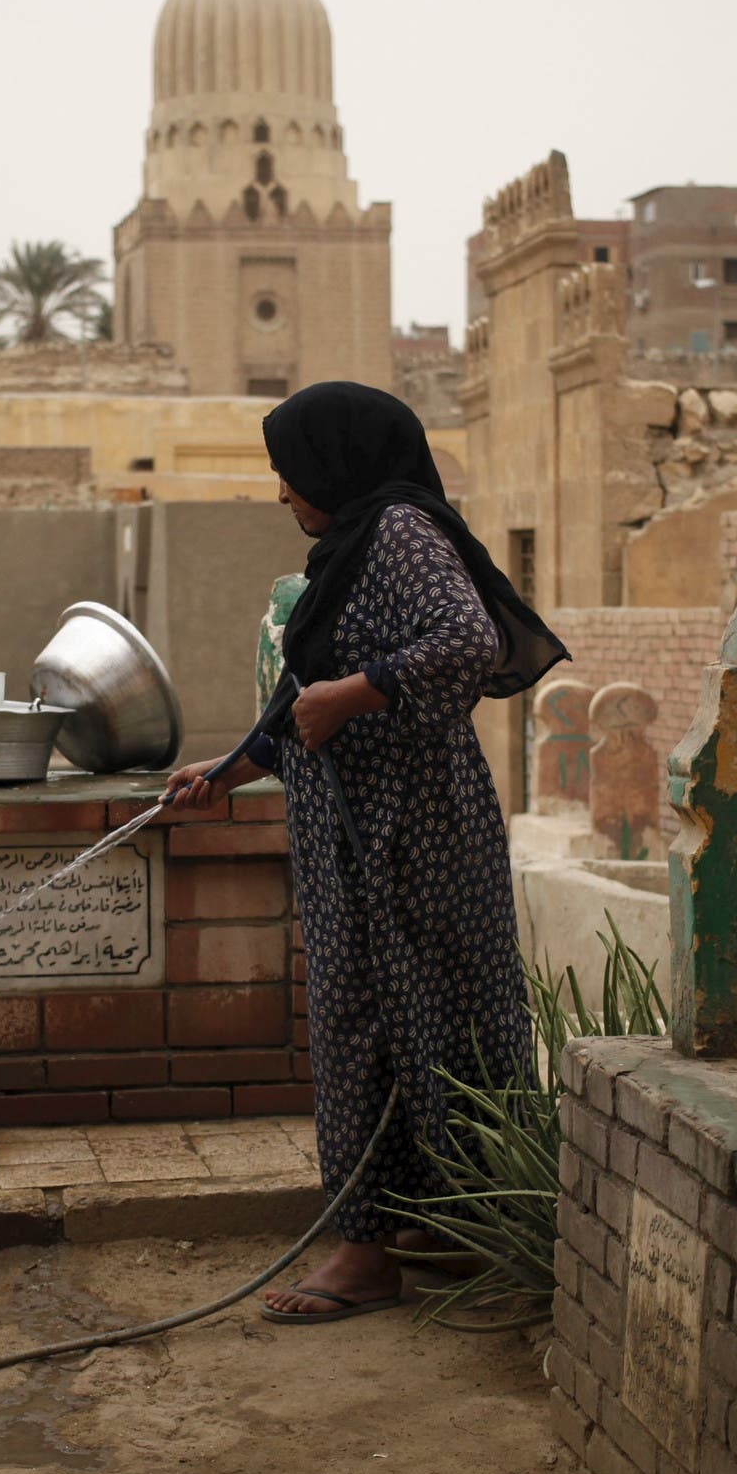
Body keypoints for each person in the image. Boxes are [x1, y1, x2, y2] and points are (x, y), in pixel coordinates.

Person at [165, 381, 569, 1324]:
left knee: (421, 1021)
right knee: (378, 1022)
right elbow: (301, 704)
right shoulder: (351, 549)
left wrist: (357, 693)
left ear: (336, 463)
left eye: (288, 472)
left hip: (414, 834)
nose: (281, 494)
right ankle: (429, 1224)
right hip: (358, 834)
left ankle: (371, 1251)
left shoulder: (398, 533)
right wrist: (225, 773)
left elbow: (465, 640)